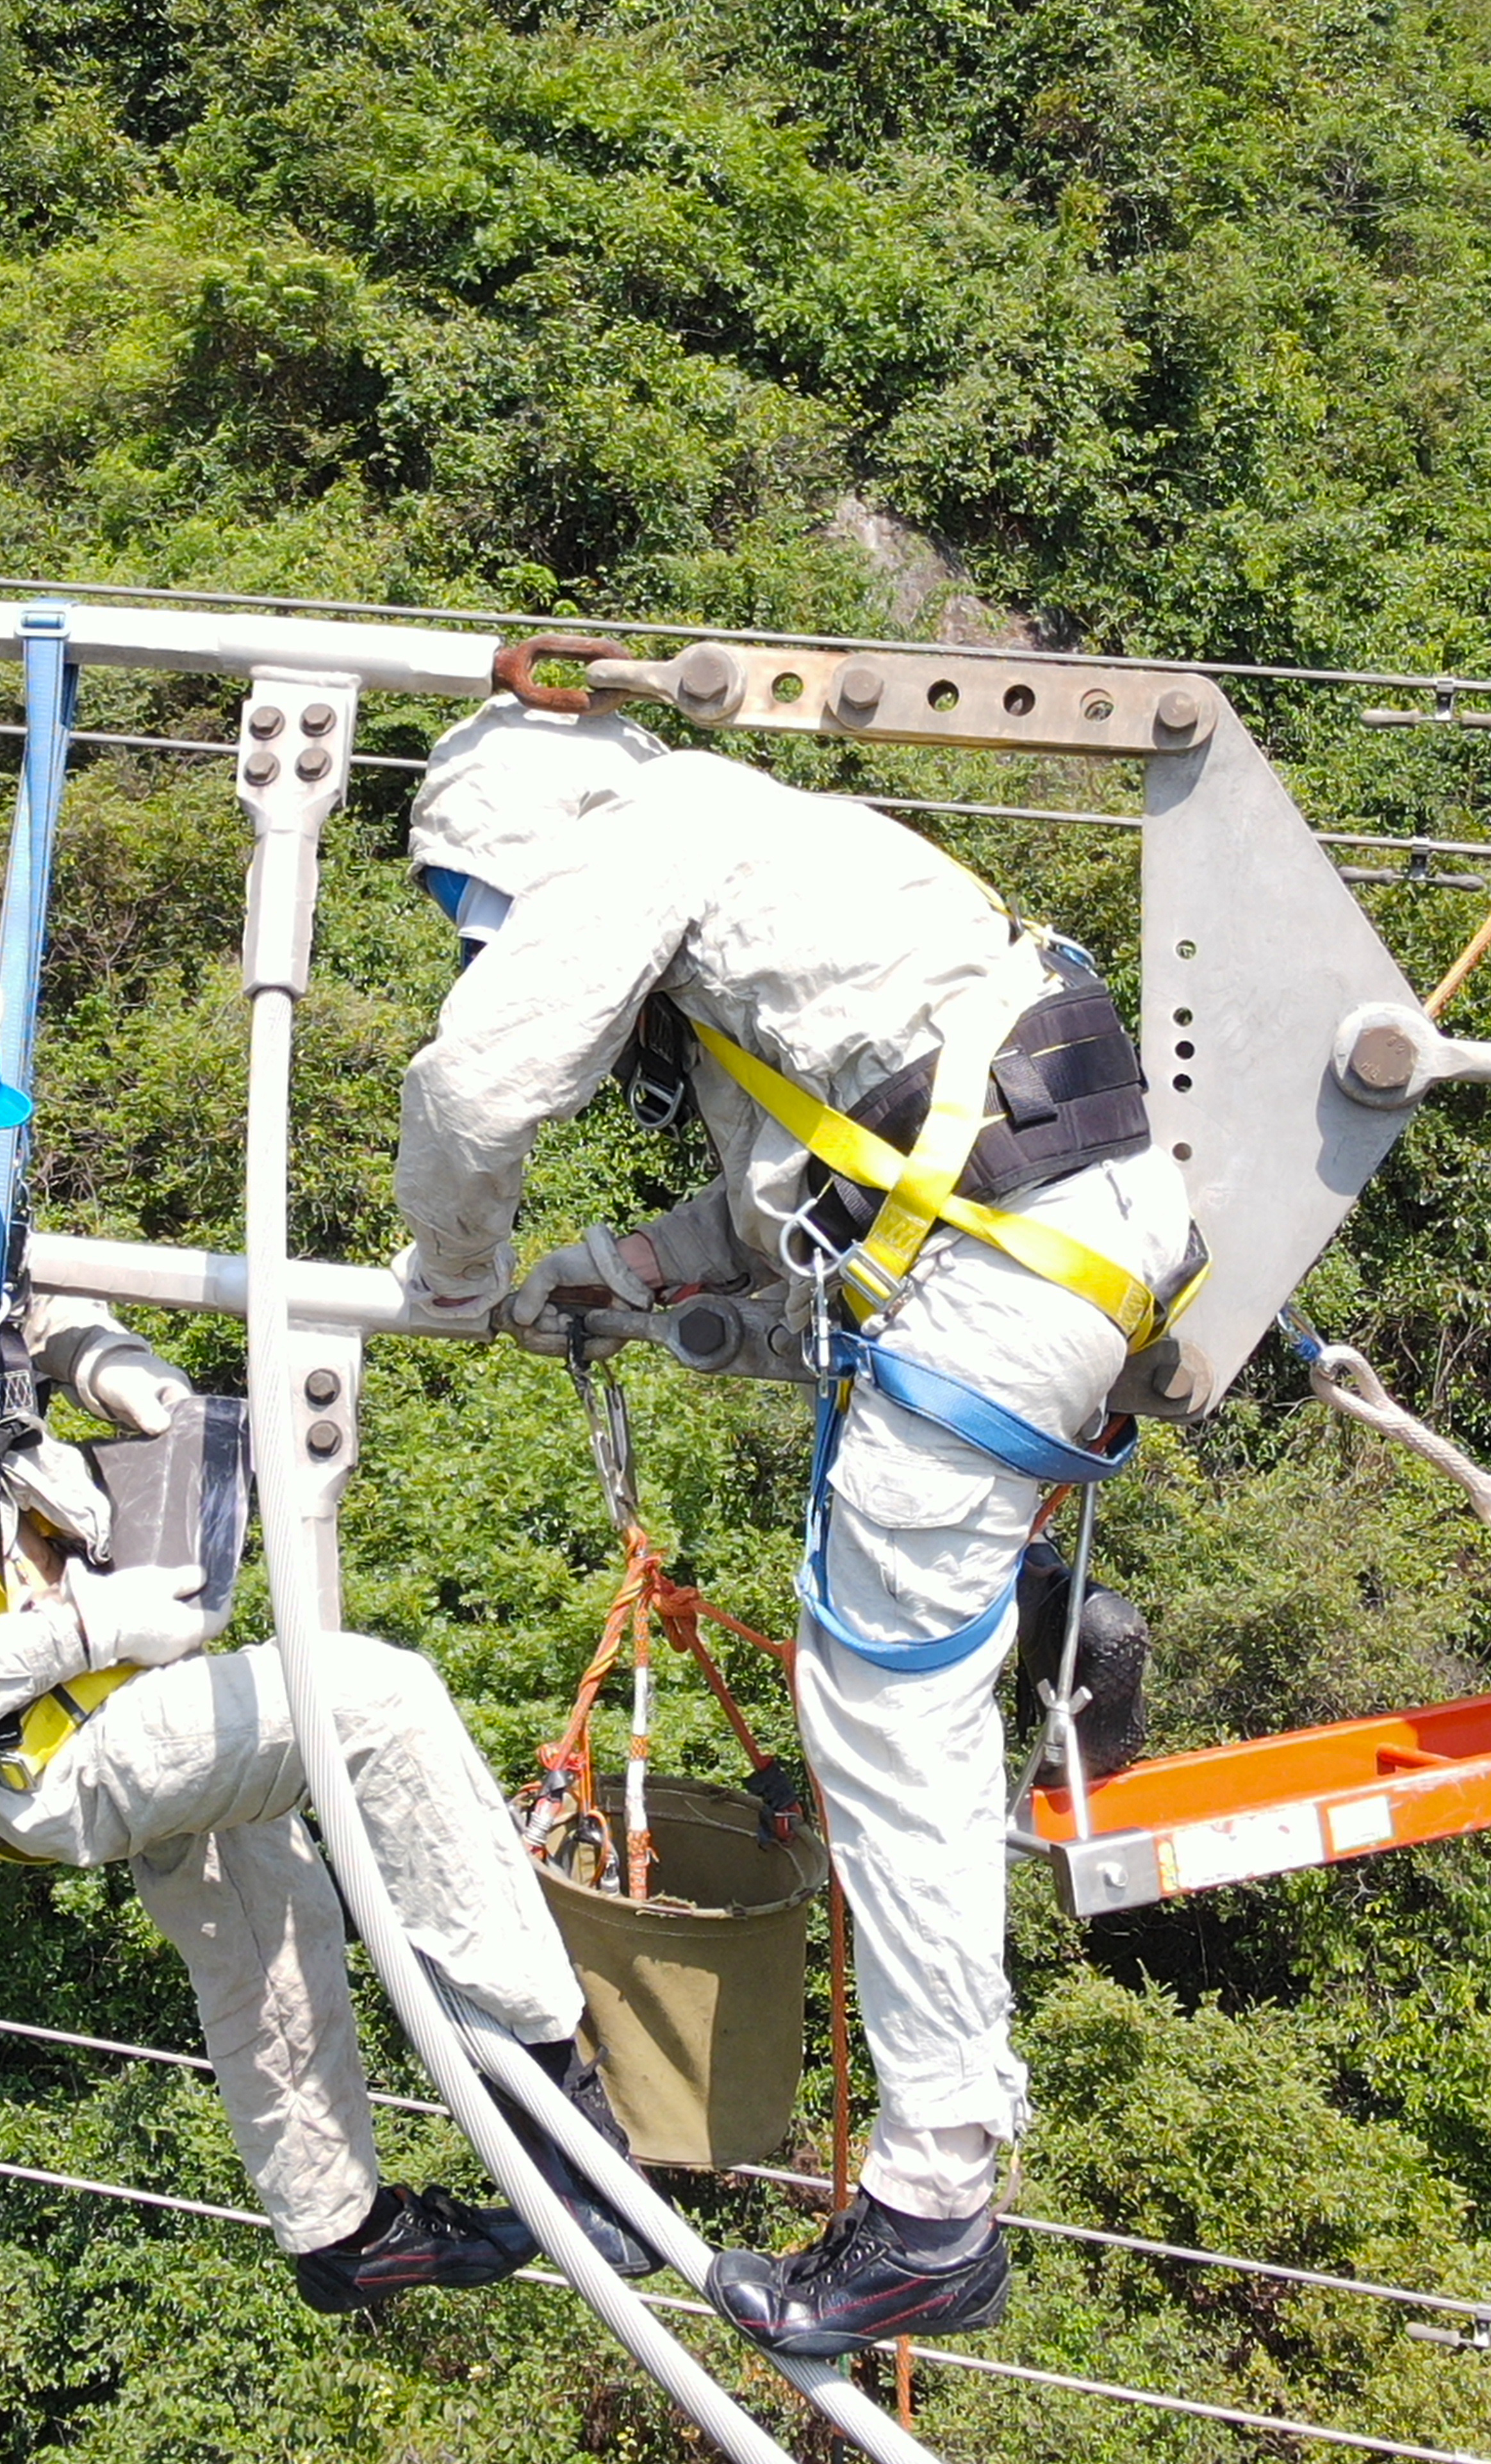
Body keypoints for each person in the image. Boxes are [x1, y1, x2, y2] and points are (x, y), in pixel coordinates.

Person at [0, 910, 646, 2312]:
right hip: (21, 1754)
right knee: (373, 1706)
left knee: (258, 1888)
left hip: (73, 1636)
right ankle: (565, 2116)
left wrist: (130, 1380)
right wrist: (95, 1629)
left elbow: (6, 1303)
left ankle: (337, 2228)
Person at [392, 697, 1198, 2358]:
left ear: (523, 849)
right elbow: (810, 1190)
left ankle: (933, 2205)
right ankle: (1035, 1614)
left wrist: (457, 1275)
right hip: (1066, 1231)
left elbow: (478, 1094)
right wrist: (607, 1278)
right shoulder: (777, 865)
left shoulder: (643, 832)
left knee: (882, 1722)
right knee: (917, 1615)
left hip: (1001, 1272)